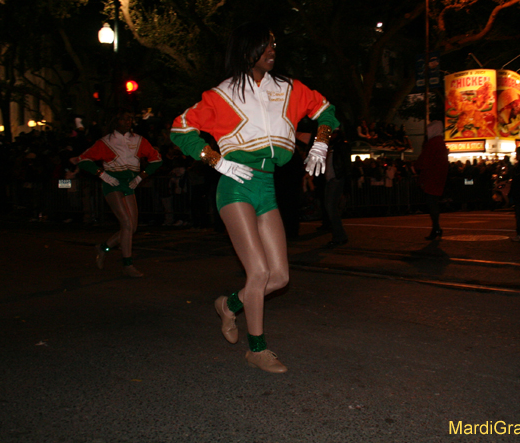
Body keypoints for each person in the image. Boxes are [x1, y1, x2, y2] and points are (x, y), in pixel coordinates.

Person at [170, 22, 339, 374]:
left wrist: (321, 140)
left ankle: (229, 305)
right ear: (248, 51)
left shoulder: (289, 88)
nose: (272, 50)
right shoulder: (222, 93)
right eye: (264, 45)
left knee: (279, 277)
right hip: (235, 185)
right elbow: (180, 128)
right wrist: (216, 161)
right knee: (259, 271)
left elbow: (325, 110)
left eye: (274, 43)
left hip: (267, 186)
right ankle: (257, 349)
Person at [77, 109, 163, 278]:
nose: (128, 122)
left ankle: (103, 247)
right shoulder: (106, 142)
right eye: (124, 119)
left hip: (129, 183)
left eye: (130, 118)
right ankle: (127, 265)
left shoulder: (138, 140)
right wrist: (103, 175)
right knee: (127, 224)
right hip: (113, 183)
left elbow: (157, 160)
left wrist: (140, 177)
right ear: (116, 122)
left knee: (132, 227)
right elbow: (83, 160)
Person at [414, 121, 450, 240]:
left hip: (431, 178)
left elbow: (424, 160)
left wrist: (417, 166)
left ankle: (436, 228)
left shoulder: (433, 143)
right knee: (433, 203)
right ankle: (436, 228)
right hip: (438, 177)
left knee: (431, 204)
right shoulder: (440, 143)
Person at [323, 128, 351, 248]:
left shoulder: (341, 146)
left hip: (336, 179)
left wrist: (345, 183)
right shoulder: (332, 146)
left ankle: (339, 235)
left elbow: (345, 164)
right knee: (330, 207)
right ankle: (338, 234)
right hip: (332, 179)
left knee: (331, 207)